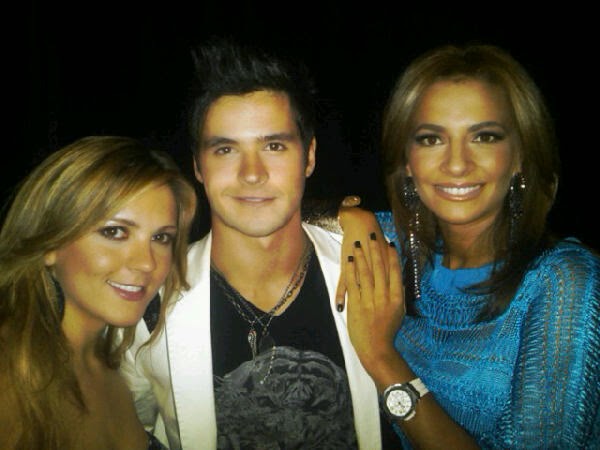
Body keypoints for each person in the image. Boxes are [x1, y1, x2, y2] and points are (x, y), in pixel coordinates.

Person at [120, 37, 390, 449]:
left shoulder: (373, 268)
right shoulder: (146, 303)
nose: (251, 173)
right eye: (226, 149)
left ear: (309, 156)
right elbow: (124, 428)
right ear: (198, 166)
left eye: (274, 146)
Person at [336, 43, 600, 449]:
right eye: (431, 139)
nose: (457, 164)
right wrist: (346, 214)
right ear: (407, 162)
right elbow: (276, 210)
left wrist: (380, 358)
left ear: (519, 156)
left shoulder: (565, 282)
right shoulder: (393, 243)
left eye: (484, 136)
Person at [0, 136, 197, 450]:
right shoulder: (10, 379)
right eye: (115, 232)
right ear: (50, 243)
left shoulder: (111, 362)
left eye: (161, 237)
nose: (147, 263)